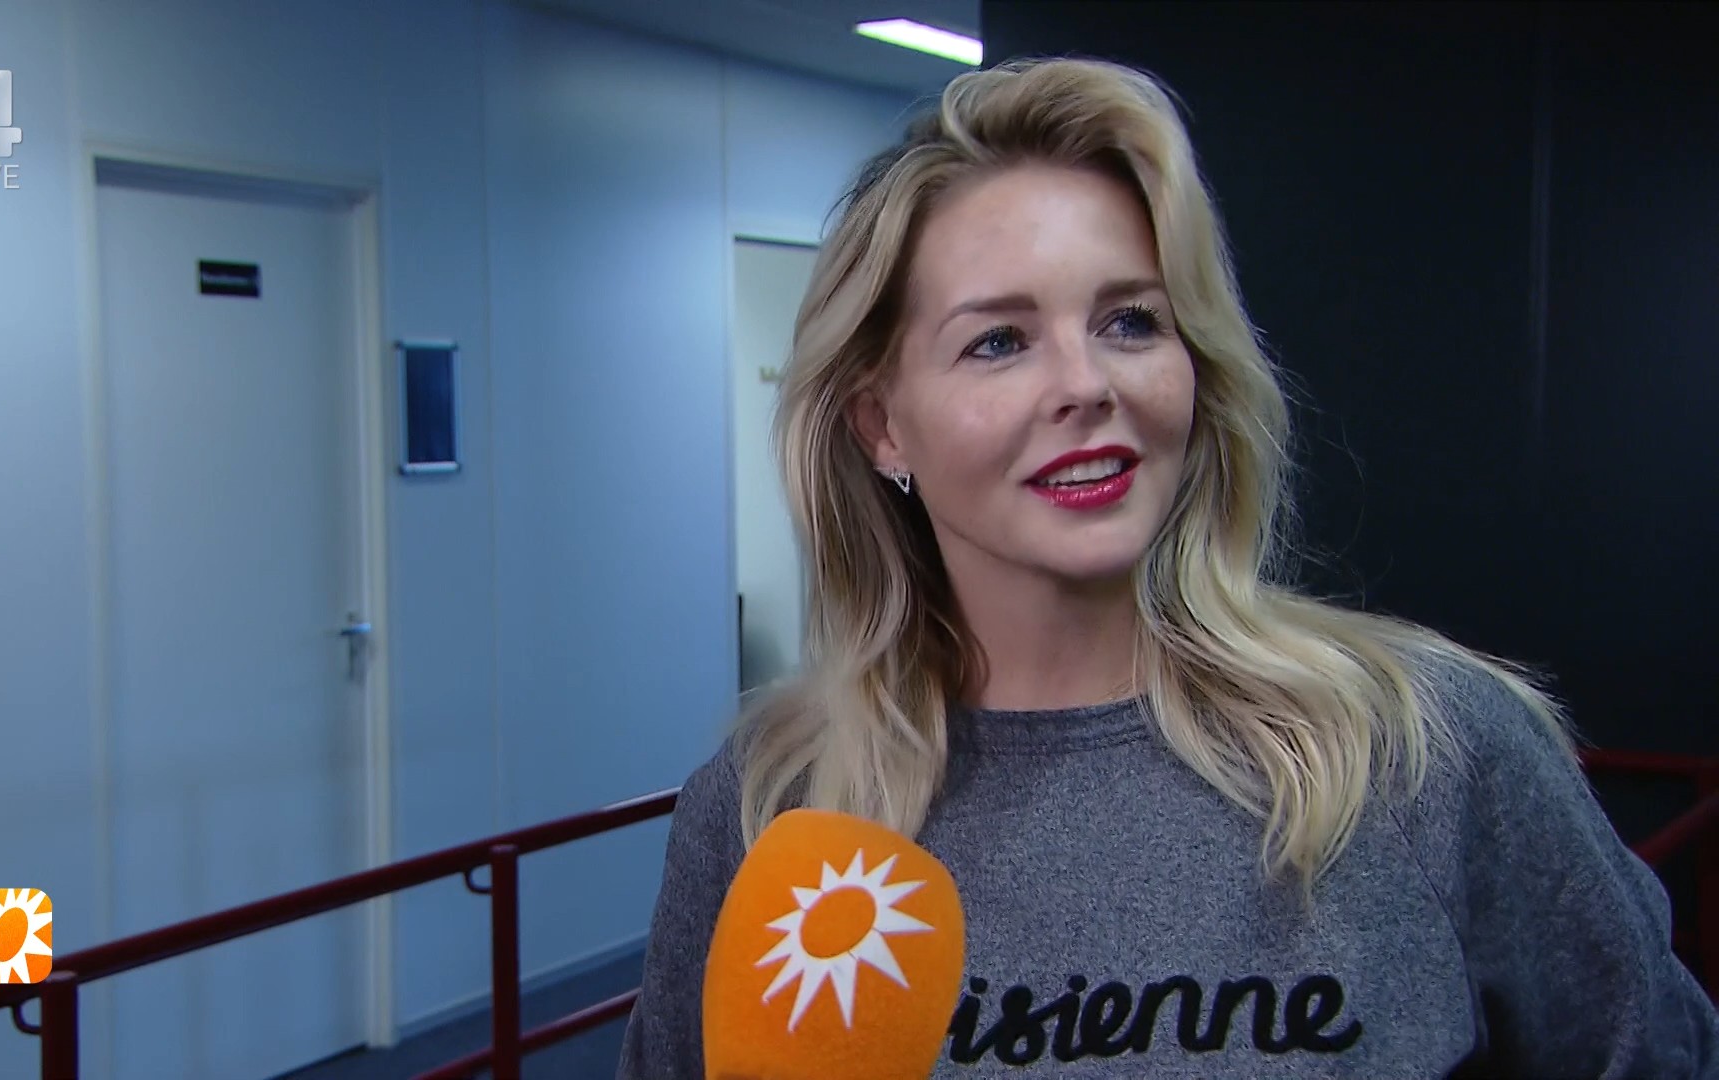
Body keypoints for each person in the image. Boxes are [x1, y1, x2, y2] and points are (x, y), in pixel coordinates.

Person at [616, 56, 1719, 1077]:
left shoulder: (1423, 752)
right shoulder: (768, 810)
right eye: (999, 341)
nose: (1085, 383)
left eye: (1132, 322)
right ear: (881, 426)